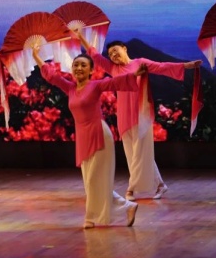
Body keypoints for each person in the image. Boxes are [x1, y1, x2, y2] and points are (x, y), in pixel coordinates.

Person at [76, 31, 201, 200]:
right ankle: (160, 185)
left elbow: (162, 67)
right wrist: (81, 37)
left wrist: (187, 65)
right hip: (124, 116)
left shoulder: (140, 63)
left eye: (115, 51)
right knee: (133, 153)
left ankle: (131, 189)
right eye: (110, 54)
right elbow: (95, 55)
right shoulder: (113, 69)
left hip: (141, 113)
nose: (113, 55)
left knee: (139, 153)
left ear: (125, 49)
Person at [32, 44, 146, 229]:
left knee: (94, 179)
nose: (79, 68)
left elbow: (115, 82)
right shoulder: (70, 88)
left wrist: (134, 75)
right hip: (82, 137)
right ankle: (127, 207)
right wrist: (36, 56)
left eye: (83, 65)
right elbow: (51, 76)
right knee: (90, 182)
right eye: (76, 65)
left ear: (91, 70)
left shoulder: (96, 85)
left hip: (99, 133)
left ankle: (90, 217)